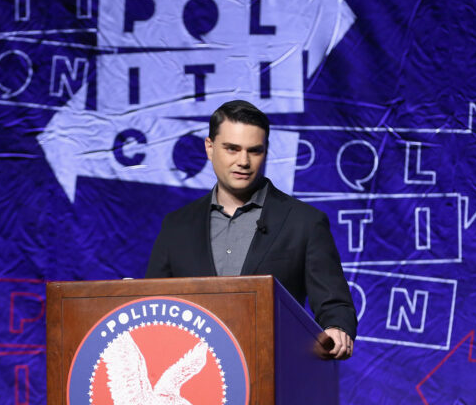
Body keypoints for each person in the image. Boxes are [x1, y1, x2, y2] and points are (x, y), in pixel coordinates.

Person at [145, 100, 357, 359]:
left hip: (273, 370)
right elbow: (152, 305)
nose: (243, 161)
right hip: (191, 377)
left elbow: (335, 304)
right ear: (210, 148)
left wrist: (336, 329)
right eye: (232, 149)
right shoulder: (176, 226)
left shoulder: (305, 222)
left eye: (254, 151)